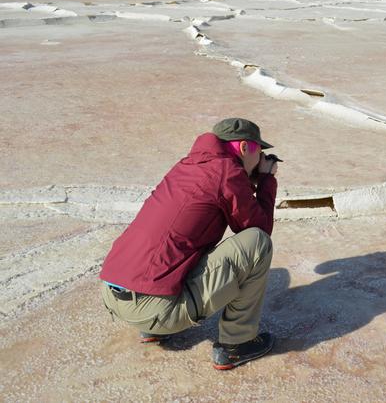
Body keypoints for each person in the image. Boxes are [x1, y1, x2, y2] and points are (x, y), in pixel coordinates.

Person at [99, 117, 282, 370]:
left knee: (182, 240)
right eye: (259, 151)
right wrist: (266, 181)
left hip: (113, 297)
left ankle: (152, 329)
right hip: (156, 310)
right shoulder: (227, 171)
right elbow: (258, 228)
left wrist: (247, 180)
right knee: (257, 243)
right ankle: (237, 343)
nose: (261, 158)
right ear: (244, 148)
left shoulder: (188, 166)